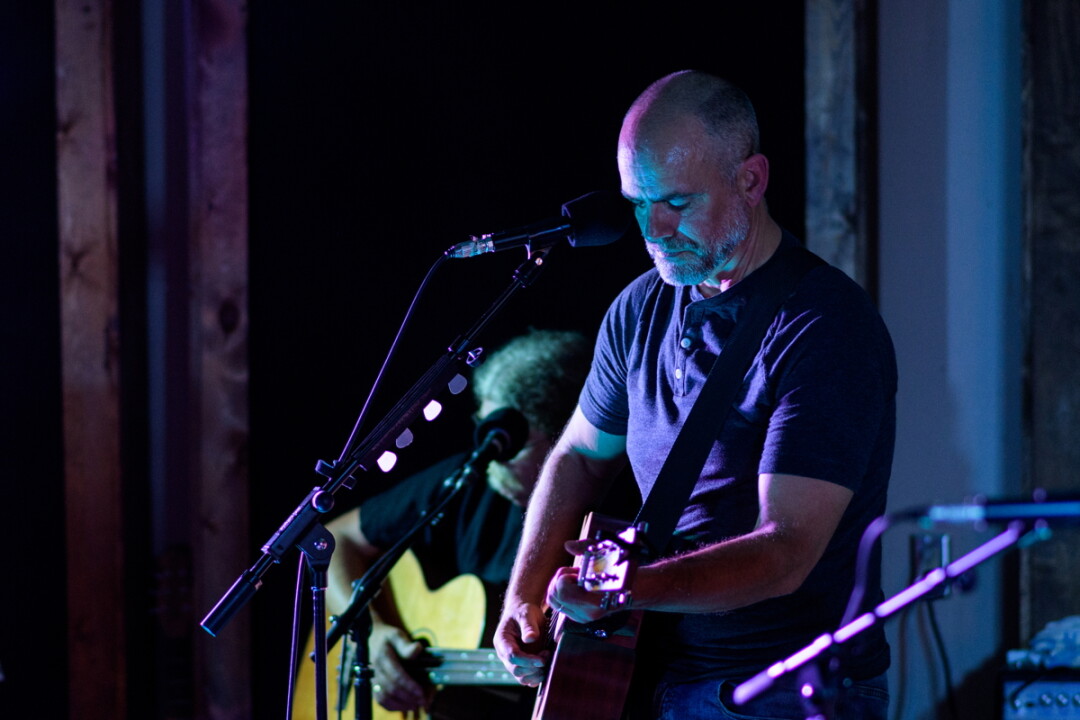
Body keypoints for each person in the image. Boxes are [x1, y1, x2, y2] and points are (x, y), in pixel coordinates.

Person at [494, 70, 897, 720]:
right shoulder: (638, 310)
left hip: (783, 690)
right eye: (637, 202)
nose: (652, 229)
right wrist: (524, 595)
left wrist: (632, 589)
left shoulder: (825, 328)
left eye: (677, 203)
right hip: (646, 675)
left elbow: (785, 551)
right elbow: (577, 457)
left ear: (751, 180)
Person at [319, 328, 601, 719]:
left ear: (565, 441)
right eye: (487, 430)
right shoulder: (471, 476)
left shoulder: (604, 523)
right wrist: (369, 633)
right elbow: (333, 539)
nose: (491, 456)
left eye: (511, 441)